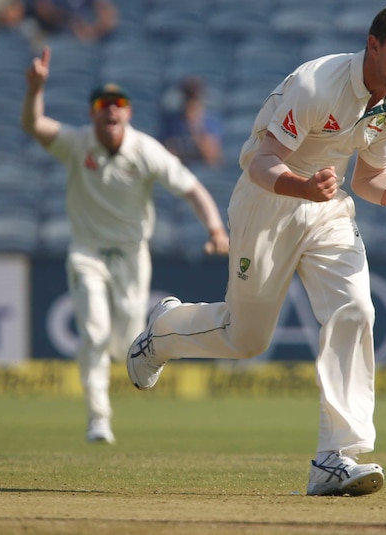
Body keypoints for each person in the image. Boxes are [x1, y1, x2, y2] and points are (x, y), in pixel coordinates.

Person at [125, 6, 386, 496]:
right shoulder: (318, 84)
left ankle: (335, 457)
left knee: (356, 308)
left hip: (328, 209)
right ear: (374, 45)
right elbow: (261, 162)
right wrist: (302, 188)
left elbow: (369, 180)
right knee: (245, 339)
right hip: (269, 202)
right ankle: (164, 333)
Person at [21, 47, 230, 445]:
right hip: (87, 252)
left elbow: (192, 188)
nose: (111, 110)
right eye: (103, 104)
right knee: (95, 332)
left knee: (125, 344)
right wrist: (35, 90)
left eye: (119, 104)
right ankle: (98, 418)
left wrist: (215, 229)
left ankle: (151, 334)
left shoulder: (145, 150)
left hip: (133, 255)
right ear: (92, 112)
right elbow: (34, 126)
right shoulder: (77, 143)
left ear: (128, 113)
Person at [160, 76, 225, 167]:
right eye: (188, 98)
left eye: (194, 98)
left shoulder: (210, 121)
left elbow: (213, 159)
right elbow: (166, 155)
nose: (191, 103)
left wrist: (196, 126)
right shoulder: (172, 121)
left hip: (204, 173)